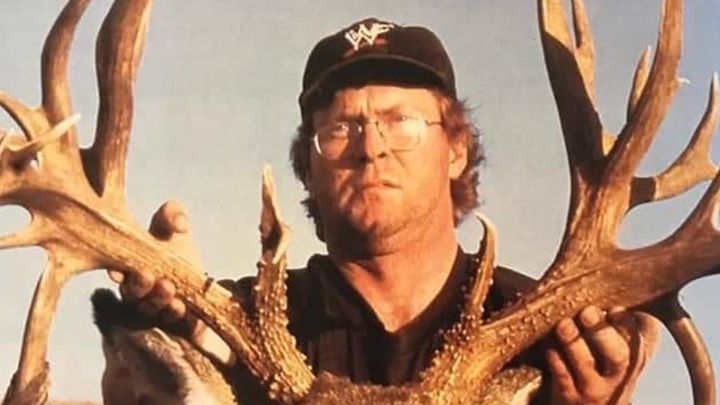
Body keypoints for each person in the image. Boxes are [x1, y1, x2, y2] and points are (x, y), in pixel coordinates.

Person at [111, 18, 660, 404]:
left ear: (456, 150)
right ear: (308, 166)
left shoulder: (547, 334)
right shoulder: (238, 325)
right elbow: (131, 384)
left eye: (402, 122)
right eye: (340, 127)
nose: (371, 146)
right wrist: (172, 309)